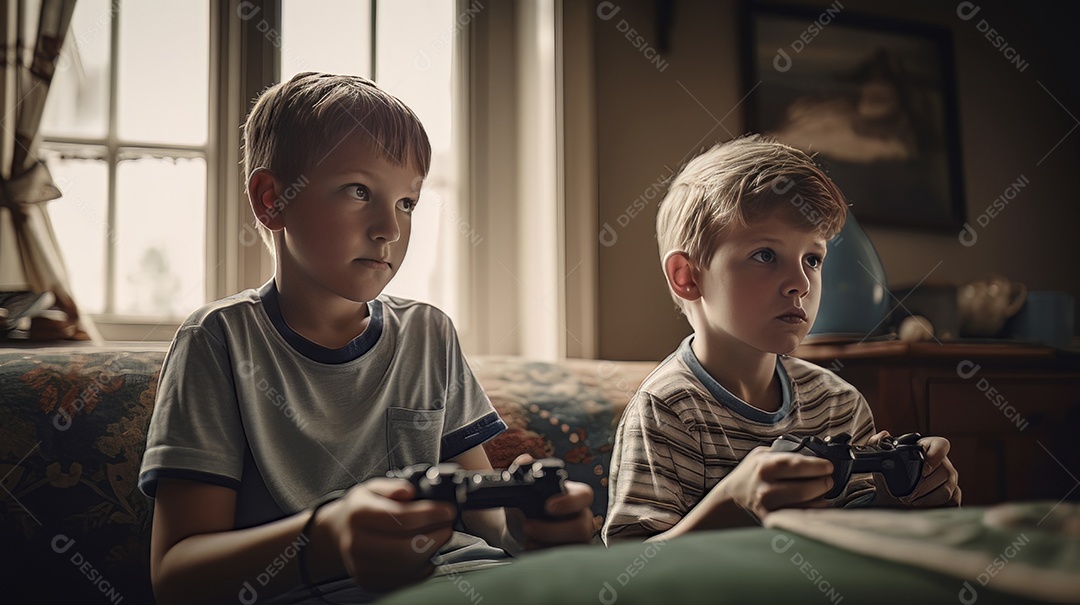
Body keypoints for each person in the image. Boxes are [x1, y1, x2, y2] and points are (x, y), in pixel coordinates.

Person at [138, 72, 594, 604]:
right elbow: (177, 577)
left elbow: (484, 521)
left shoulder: (429, 333)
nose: (390, 229)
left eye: (407, 203)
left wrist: (530, 529)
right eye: (360, 191)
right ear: (272, 199)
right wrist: (326, 537)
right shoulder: (218, 340)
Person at [602, 135, 960, 544]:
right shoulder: (668, 410)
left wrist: (903, 499)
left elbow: (858, 537)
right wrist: (732, 505)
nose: (800, 283)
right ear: (688, 276)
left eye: (813, 259)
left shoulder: (838, 403)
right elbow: (630, 568)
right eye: (765, 255)